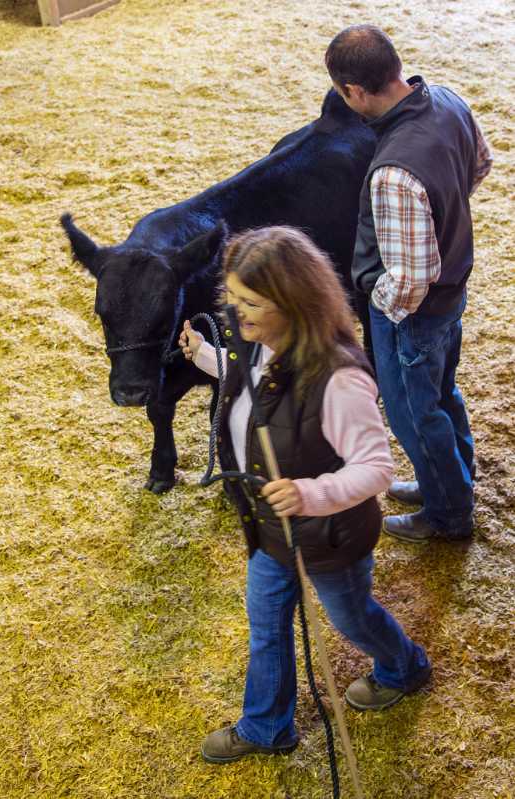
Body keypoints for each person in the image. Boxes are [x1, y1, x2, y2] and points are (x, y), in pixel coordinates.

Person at [178, 226, 431, 764]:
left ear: (292, 303)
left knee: (351, 618)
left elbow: (376, 468)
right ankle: (268, 727)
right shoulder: (258, 344)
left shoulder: (338, 379)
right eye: (231, 299)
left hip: (329, 534)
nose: (236, 313)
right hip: (273, 530)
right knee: (267, 624)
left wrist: (309, 493)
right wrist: (205, 356)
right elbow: (249, 383)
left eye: (250, 303)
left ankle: (404, 667)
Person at [325, 25, 493, 543]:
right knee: (443, 392)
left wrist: (375, 301)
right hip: (454, 288)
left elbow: (410, 281)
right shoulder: (447, 100)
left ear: (353, 91)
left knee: (414, 413)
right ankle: (448, 480)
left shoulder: (394, 172)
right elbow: (481, 164)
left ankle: (447, 515)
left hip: (413, 315)